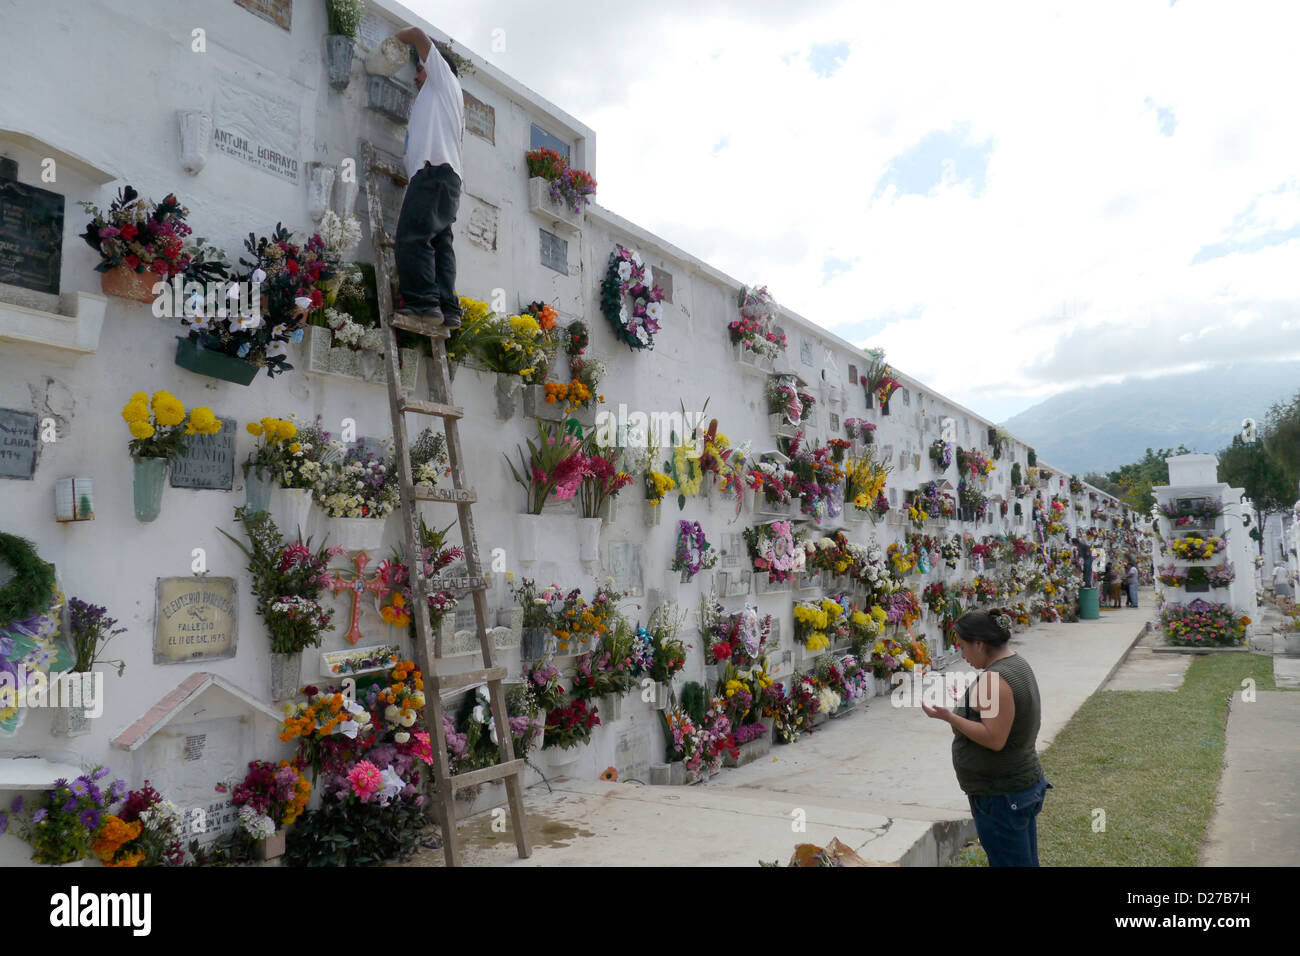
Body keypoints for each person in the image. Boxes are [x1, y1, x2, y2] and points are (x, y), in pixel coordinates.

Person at [922, 611, 1051, 866]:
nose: (962, 656)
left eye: (963, 647)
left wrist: (950, 717)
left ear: (979, 643)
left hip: (1001, 794)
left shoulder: (994, 679)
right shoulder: (1016, 664)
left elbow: (994, 738)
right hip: (1017, 786)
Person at [391, 27, 465, 328]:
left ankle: (423, 303)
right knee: (440, 245)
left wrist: (397, 39)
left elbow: (419, 35)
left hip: (434, 174)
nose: (416, 76)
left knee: (412, 237)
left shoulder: (444, 80)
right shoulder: (436, 101)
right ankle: (448, 309)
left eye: (420, 69)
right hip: (444, 179)